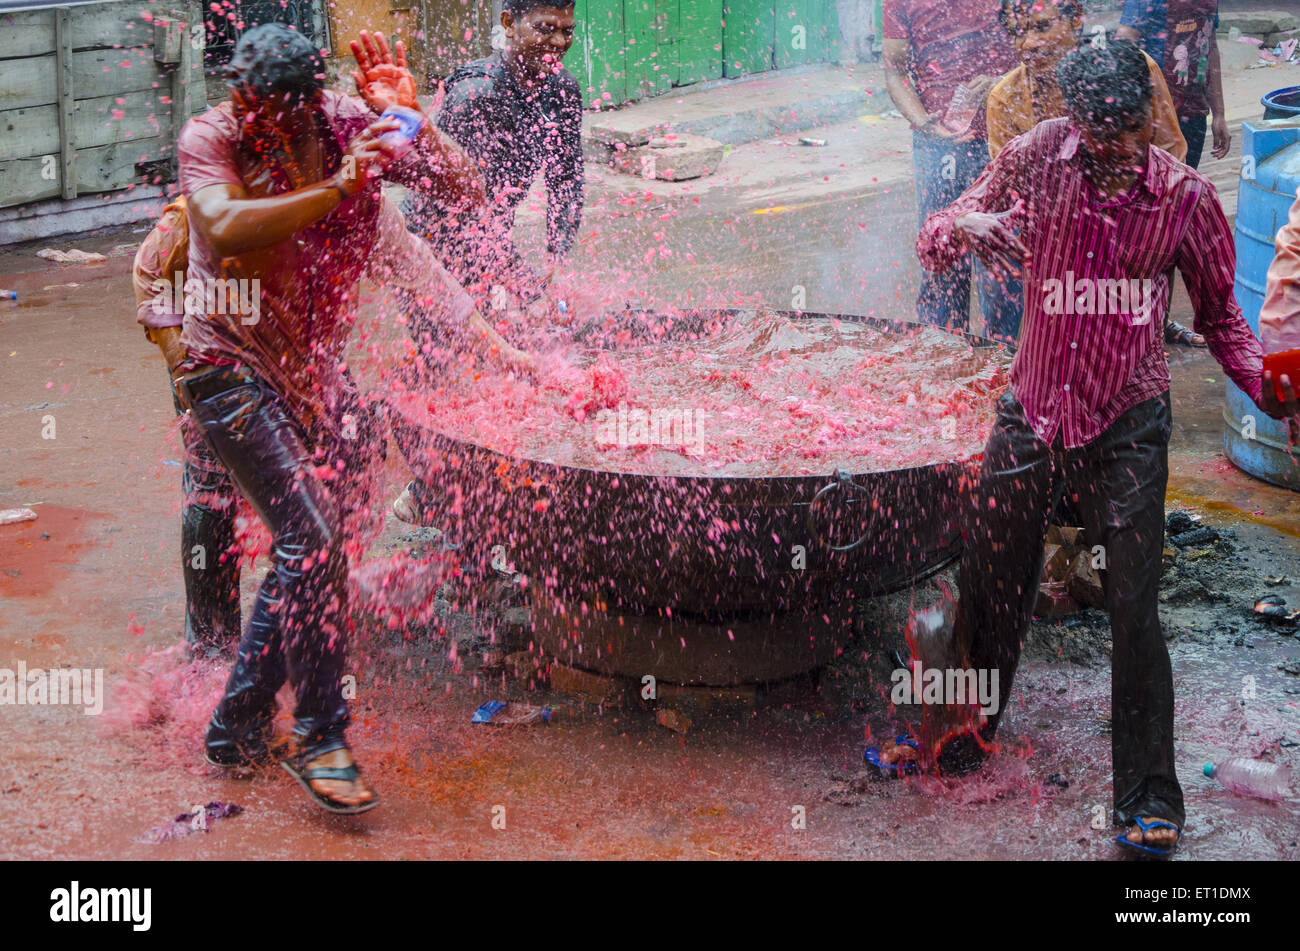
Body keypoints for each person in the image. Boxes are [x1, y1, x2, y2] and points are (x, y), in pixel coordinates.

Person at [907, 38, 1297, 856]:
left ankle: (1150, 796)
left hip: (1128, 417)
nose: (1111, 153)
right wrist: (962, 222)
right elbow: (936, 239)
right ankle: (962, 731)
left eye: (1125, 134)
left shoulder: (1186, 200)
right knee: (991, 580)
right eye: (1095, 134)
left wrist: (1269, 390)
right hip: (1035, 405)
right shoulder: (1035, 158)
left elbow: (1223, 314)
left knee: (1132, 608)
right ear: (1073, 123)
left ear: (1151, 120)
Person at [174, 23, 530, 814]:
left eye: (290, 117)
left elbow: (461, 187)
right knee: (310, 538)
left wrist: (414, 119)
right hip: (223, 368)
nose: (272, 129)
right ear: (241, 97)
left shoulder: (342, 120)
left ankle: (234, 726)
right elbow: (223, 226)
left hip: (306, 375)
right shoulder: (211, 135)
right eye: (259, 111)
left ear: (311, 103)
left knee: (313, 545)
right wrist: (336, 187)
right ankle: (320, 735)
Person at [385, 0, 584, 524]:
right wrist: (527, 289)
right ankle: (445, 515)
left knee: (518, 351)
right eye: (544, 28)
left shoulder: (562, 91)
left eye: (567, 31)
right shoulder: (476, 95)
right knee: (451, 368)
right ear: (507, 24)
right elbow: (467, 212)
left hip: (486, 236)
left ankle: (465, 492)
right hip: (428, 246)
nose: (557, 43)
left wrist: (555, 266)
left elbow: (568, 183)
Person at [132, 198, 241, 660]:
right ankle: (210, 644)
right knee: (212, 490)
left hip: (261, 347)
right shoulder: (199, 203)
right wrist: (181, 363)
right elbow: (148, 271)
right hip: (203, 357)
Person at [881, 0, 1017, 339]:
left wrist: (1002, 83)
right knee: (941, 250)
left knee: (999, 256)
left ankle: (1004, 357)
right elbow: (894, 71)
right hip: (937, 145)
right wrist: (922, 122)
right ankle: (941, 349)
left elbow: (1038, 50)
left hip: (1000, 138)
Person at [1118, 0, 1230, 347]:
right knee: (1134, 224)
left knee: (1170, 225)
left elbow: (1209, 48)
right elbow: (1123, 46)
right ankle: (1125, 322)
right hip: (1147, 125)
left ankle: (1157, 320)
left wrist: (1220, 114)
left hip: (1191, 121)